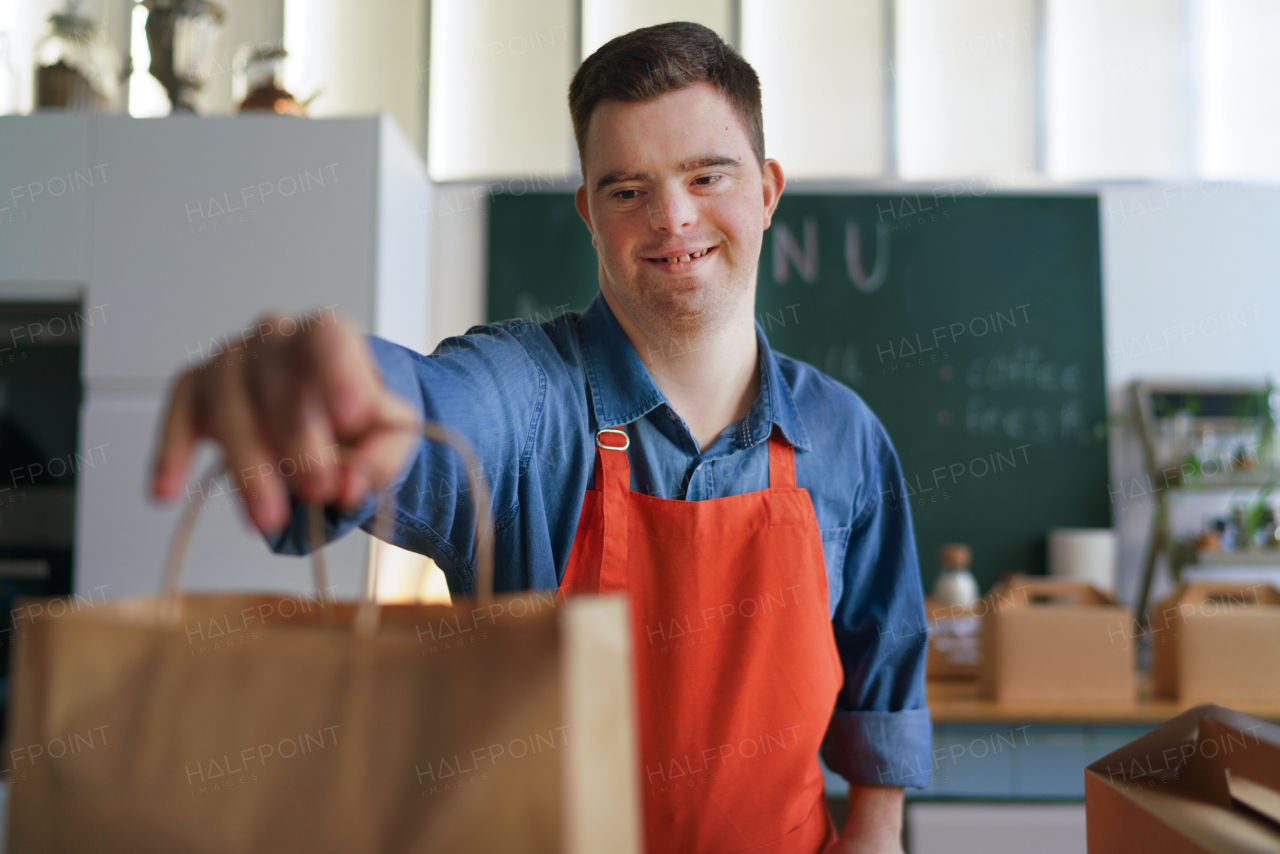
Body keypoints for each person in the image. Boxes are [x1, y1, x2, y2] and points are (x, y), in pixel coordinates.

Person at [151, 22, 930, 854]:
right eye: (626, 189)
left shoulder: (844, 435)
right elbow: (431, 406)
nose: (673, 218)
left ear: (769, 190)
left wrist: (877, 829)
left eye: (708, 175)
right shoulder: (526, 397)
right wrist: (324, 392)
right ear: (588, 213)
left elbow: (885, 658)